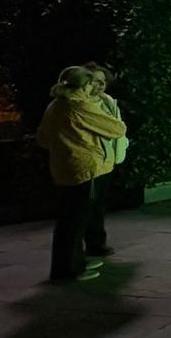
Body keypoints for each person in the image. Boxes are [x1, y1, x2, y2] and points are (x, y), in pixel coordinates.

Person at [36, 66, 127, 282]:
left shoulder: (55, 105)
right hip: (86, 168)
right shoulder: (81, 105)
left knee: (69, 218)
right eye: (90, 83)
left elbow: (42, 138)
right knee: (76, 221)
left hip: (64, 167)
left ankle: (74, 262)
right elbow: (117, 128)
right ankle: (68, 269)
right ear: (83, 85)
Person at [82, 61, 126, 258]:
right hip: (90, 161)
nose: (99, 85)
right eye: (94, 81)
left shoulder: (107, 101)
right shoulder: (82, 105)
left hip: (107, 160)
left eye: (103, 81)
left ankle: (97, 243)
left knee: (98, 205)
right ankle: (92, 246)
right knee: (87, 208)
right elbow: (115, 128)